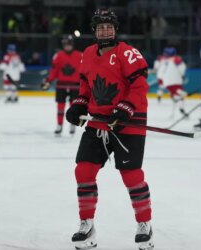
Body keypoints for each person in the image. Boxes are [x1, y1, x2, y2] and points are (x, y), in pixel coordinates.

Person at [65, 9, 154, 250]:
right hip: (98, 122)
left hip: (129, 122)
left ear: (115, 30)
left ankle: (145, 226)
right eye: (101, 27)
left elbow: (140, 85)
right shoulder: (88, 53)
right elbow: (86, 87)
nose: (106, 30)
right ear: (94, 30)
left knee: (132, 175)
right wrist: (79, 104)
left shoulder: (127, 52)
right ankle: (87, 225)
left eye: (109, 26)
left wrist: (125, 109)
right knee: (83, 171)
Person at [42, 35, 82, 135]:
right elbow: (54, 71)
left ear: (72, 45)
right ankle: (59, 125)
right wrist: (48, 81)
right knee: (60, 107)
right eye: (65, 44)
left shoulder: (80, 55)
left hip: (75, 85)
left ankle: (73, 125)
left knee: (74, 107)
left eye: (69, 44)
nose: (67, 46)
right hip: (61, 85)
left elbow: (84, 71)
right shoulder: (58, 55)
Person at [157, 47, 188, 117]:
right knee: (177, 94)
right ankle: (181, 104)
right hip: (176, 80)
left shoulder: (163, 60)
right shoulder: (177, 59)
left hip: (167, 82)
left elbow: (161, 71)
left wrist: (160, 79)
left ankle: (180, 104)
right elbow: (183, 68)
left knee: (174, 95)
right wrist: (182, 75)